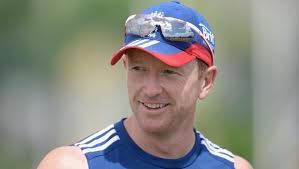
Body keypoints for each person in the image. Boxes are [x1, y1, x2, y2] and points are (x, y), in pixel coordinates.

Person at [37, 1, 253, 169]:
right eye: (138, 69)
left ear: (206, 82)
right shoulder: (73, 165)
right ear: (125, 67)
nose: (150, 90)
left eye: (169, 72)